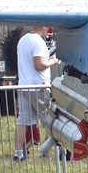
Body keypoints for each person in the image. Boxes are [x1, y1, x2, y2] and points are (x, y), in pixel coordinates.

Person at [14, 26, 57, 160]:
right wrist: (52, 61)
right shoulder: (38, 42)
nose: (48, 29)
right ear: (42, 26)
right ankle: (46, 152)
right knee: (50, 120)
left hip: (24, 86)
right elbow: (38, 65)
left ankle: (18, 153)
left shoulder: (22, 40)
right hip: (39, 87)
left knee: (22, 120)